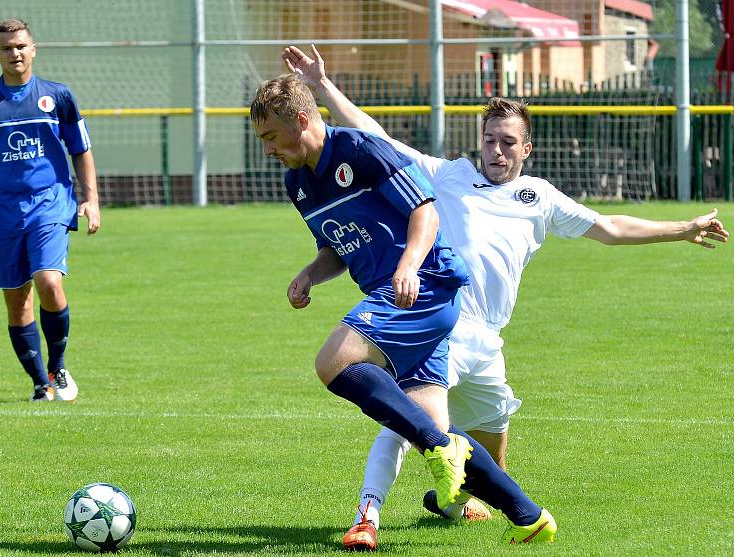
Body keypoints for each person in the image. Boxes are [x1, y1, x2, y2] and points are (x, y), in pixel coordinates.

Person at [281, 44, 729, 549]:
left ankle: (459, 502)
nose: (496, 150)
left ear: (526, 149)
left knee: (493, 429)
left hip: (489, 338)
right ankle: (368, 516)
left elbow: (609, 227)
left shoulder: (540, 197)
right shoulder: (449, 174)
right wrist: (323, 87)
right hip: (443, 320)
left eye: (508, 142)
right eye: (490, 140)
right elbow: (376, 137)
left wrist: (682, 228)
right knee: (409, 422)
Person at [250, 73, 559, 548]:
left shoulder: (359, 150)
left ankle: (438, 450)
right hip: (402, 296)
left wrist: (410, 265)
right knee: (423, 422)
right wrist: (311, 273)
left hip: (424, 287)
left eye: (271, 136)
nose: (268, 148)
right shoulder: (299, 183)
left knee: (333, 362)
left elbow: (426, 210)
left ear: (302, 119)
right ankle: (528, 514)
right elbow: (337, 247)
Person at [0, 19, 100, 402]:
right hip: (0, 211)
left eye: (20, 46)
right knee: (17, 300)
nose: (14, 53)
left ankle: (59, 365)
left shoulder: (58, 96)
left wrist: (91, 199)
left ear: (33, 49)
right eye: (6, 48)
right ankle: (39, 383)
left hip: (49, 202)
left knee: (49, 281)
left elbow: (80, 150)